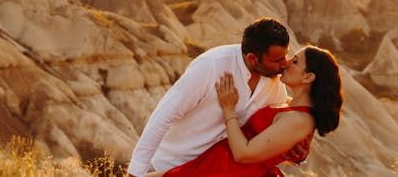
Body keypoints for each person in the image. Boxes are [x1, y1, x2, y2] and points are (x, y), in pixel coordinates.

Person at [127, 18, 305, 176]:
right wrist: (136, 172)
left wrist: (293, 153)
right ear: (252, 59)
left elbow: (266, 140)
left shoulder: (275, 84)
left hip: (218, 171)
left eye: (285, 56)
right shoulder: (211, 66)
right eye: (277, 60)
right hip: (171, 166)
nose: (285, 64)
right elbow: (163, 116)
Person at [156, 45, 343, 176]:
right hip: (215, 164)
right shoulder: (288, 104)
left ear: (308, 77)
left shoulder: (300, 119)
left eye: (294, 61)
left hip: (228, 171)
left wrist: (228, 109)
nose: (286, 63)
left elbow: (243, 154)